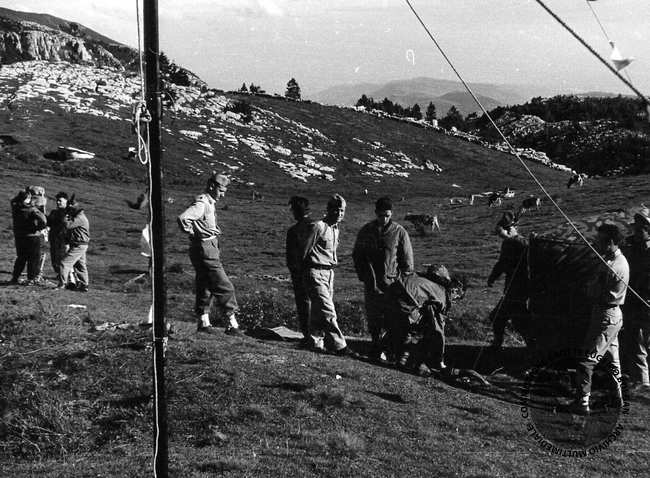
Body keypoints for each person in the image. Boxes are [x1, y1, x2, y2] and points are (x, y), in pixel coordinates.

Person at [573, 224, 629, 414]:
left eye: (600, 241)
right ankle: (618, 398)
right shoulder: (620, 260)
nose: (596, 244)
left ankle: (582, 403)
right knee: (613, 360)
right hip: (613, 315)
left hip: (605, 315)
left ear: (610, 242)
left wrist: (589, 285)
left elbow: (593, 292)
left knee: (587, 359)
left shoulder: (611, 266)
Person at [177, 172, 241, 335]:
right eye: (221, 190)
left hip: (206, 246)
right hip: (205, 247)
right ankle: (232, 324)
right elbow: (183, 218)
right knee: (224, 285)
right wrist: (193, 232)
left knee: (205, 285)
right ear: (212, 186)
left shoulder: (209, 202)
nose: (223, 194)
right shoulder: (202, 203)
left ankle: (204, 322)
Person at [352, 196, 413, 360]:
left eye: (387, 215)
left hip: (392, 285)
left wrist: (402, 284)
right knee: (373, 318)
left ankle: (393, 352)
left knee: (393, 319)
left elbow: (407, 262)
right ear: (376, 213)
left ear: (391, 214)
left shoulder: (399, 232)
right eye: (381, 215)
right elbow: (357, 256)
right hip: (371, 284)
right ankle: (375, 348)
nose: (384, 219)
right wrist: (365, 277)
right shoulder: (366, 231)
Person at [384, 264, 464, 375]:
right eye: (456, 298)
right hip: (403, 303)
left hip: (390, 294)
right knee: (423, 325)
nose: (454, 301)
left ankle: (389, 351)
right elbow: (438, 329)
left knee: (412, 320)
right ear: (454, 290)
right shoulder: (441, 296)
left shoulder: (425, 281)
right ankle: (405, 359)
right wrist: (440, 361)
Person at [301, 194, 352, 355]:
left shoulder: (335, 229)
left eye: (342, 211)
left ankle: (315, 342)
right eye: (336, 210)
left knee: (318, 310)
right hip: (315, 271)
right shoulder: (318, 227)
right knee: (328, 310)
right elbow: (303, 251)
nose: (339, 214)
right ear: (329, 209)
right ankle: (340, 346)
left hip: (329, 273)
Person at [487, 211, 530, 350]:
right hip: (517, 288)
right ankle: (531, 344)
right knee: (508, 318)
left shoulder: (517, 243)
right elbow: (502, 264)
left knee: (503, 317)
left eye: (503, 231)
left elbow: (502, 264)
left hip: (517, 288)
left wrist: (492, 277)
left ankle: (499, 343)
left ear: (511, 229)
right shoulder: (520, 243)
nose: (501, 235)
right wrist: (493, 277)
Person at [622, 209, 650, 390]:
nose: (637, 231)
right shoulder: (630, 246)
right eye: (636, 227)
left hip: (646, 302)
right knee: (636, 342)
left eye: (642, 228)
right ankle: (642, 383)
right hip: (633, 302)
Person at [285, 196, 316, 347]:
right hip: (316, 271)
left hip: (300, 272)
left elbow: (290, 257)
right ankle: (317, 334)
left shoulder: (293, 231)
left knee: (303, 303)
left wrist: (294, 271)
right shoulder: (317, 226)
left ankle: (307, 334)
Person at [10, 189, 47, 284]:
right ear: (27, 199)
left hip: (19, 237)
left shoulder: (15, 207)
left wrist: (21, 196)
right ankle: (31, 279)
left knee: (21, 258)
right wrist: (39, 228)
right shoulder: (32, 210)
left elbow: (13, 201)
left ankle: (15, 277)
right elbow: (44, 220)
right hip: (32, 236)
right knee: (33, 258)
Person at [57, 198, 90, 292]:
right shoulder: (79, 217)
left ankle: (62, 284)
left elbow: (68, 225)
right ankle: (84, 285)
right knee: (80, 265)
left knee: (64, 263)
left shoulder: (79, 218)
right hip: (80, 244)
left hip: (79, 245)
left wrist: (65, 216)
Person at [48, 192, 69, 276]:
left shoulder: (69, 213)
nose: (58, 202)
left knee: (63, 260)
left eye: (60, 201)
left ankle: (66, 276)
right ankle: (60, 275)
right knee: (55, 260)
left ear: (66, 201)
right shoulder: (54, 212)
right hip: (54, 240)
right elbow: (48, 223)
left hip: (64, 240)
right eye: (57, 200)